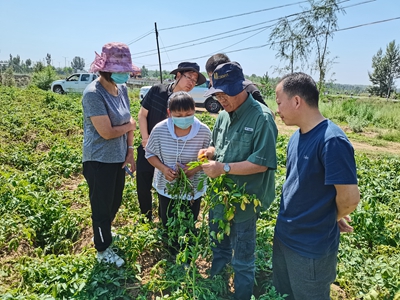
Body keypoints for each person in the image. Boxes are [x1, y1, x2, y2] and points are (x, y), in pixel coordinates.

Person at [273, 72, 360, 299]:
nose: (277, 110)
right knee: (285, 293)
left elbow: (350, 198)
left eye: (279, 103)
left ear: (297, 101)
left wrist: (328, 215)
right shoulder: (296, 136)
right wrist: (328, 210)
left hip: (309, 247)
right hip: (285, 236)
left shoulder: (332, 141)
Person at [199, 62, 277, 300]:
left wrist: (223, 168)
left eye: (227, 93)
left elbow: (262, 162)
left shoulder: (262, 118)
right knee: (218, 246)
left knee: (243, 257)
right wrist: (210, 153)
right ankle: (217, 288)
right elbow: (218, 145)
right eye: (218, 94)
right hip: (220, 199)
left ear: (242, 87)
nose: (222, 99)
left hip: (245, 202)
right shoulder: (222, 116)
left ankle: (242, 295)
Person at [82, 42, 137, 268]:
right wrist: (129, 127)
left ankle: (106, 234)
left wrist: (130, 151)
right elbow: (106, 133)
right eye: (119, 69)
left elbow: (128, 121)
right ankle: (102, 249)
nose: (124, 74)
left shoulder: (121, 89)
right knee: (101, 206)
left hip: (119, 157)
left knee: (114, 201)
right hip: (99, 160)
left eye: (126, 70)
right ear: (105, 68)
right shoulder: (93, 94)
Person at [137, 62, 206, 221]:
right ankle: (146, 217)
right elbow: (142, 115)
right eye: (189, 77)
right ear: (178, 75)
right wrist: (146, 138)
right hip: (151, 148)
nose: (191, 83)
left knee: (168, 184)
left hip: (172, 153)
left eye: (195, 81)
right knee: (144, 182)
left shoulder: (188, 103)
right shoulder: (157, 91)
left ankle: (165, 217)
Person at [144, 91, 211, 252]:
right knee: (168, 220)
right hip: (166, 186)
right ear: (169, 113)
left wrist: (195, 168)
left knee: (189, 220)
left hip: (192, 188)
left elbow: (208, 156)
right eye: (178, 115)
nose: (184, 119)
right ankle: (170, 252)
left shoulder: (203, 131)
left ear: (195, 110)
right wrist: (164, 169)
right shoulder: (160, 130)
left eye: (188, 114)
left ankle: (186, 254)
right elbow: (150, 154)